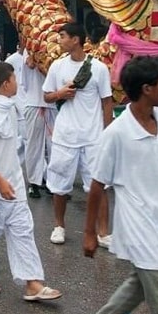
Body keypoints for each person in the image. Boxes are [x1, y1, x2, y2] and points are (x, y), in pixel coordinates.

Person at [83, 56, 158, 314]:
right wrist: (89, 234)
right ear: (147, 89)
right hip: (138, 227)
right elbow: (97, 185)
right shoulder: (117, 134)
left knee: (139, 286)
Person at [0, 62, 61, 301]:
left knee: (23, 230)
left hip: (13, 183)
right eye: (15, 79)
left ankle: (33, 283)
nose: (18, 83)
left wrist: (11, 181)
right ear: (6, 83)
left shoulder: (9, 107)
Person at [42, 23, 113, 246]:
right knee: (59, 183)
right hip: (65, 135)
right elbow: (46, 97)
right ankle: (59, 226)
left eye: (62, 36)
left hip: (93, 136)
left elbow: (107, 102)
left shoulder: (99, 68)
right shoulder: (57, 66)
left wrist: (107, 133)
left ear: (76, 39)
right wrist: (60, 93)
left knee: (98, 184)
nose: (59, 40)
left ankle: (102, 232)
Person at [6, 41, 55, 198]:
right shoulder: (31, 47)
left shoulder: (56, 46)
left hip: (53, 103)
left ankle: (53, 182)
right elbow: (31, 64)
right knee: (34, 145)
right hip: (34, 102)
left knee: (55, 146)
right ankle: (34, 182)